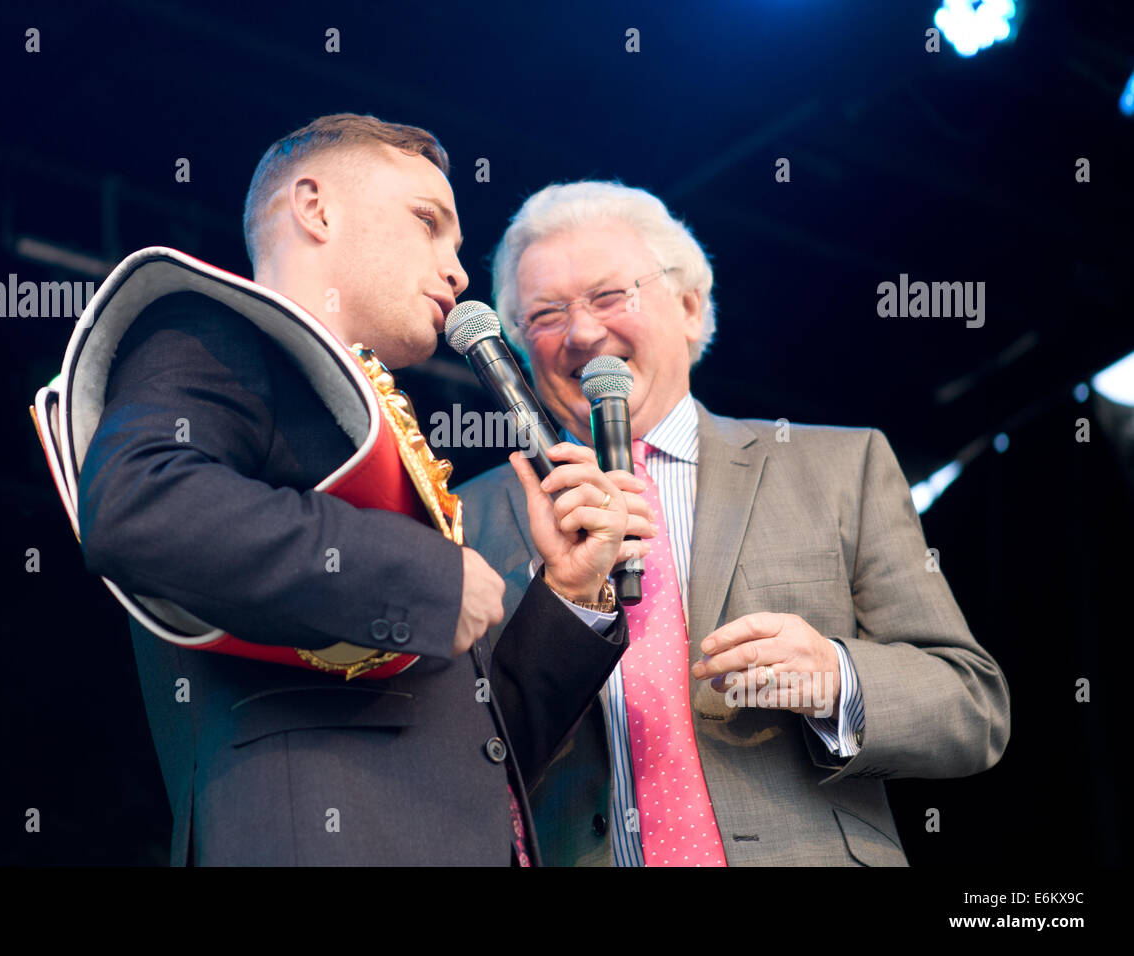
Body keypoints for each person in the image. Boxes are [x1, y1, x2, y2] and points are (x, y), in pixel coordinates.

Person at [75, 115, 639, 865]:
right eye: (428, 223)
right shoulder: (211, 330)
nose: (459, 271)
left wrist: (569, 591)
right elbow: (135, 504)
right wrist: (431, 578)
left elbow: (476, 760)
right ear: (315, 208)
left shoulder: (370, 429)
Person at [458, 180, 1011, 866]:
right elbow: (457, 765)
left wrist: (837, 678)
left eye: (609, 296)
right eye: (545, 314)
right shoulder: (463, 517)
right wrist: (567, 604)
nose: (582, 332)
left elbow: (971, 709)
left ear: (691, 306)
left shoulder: (840, 467)